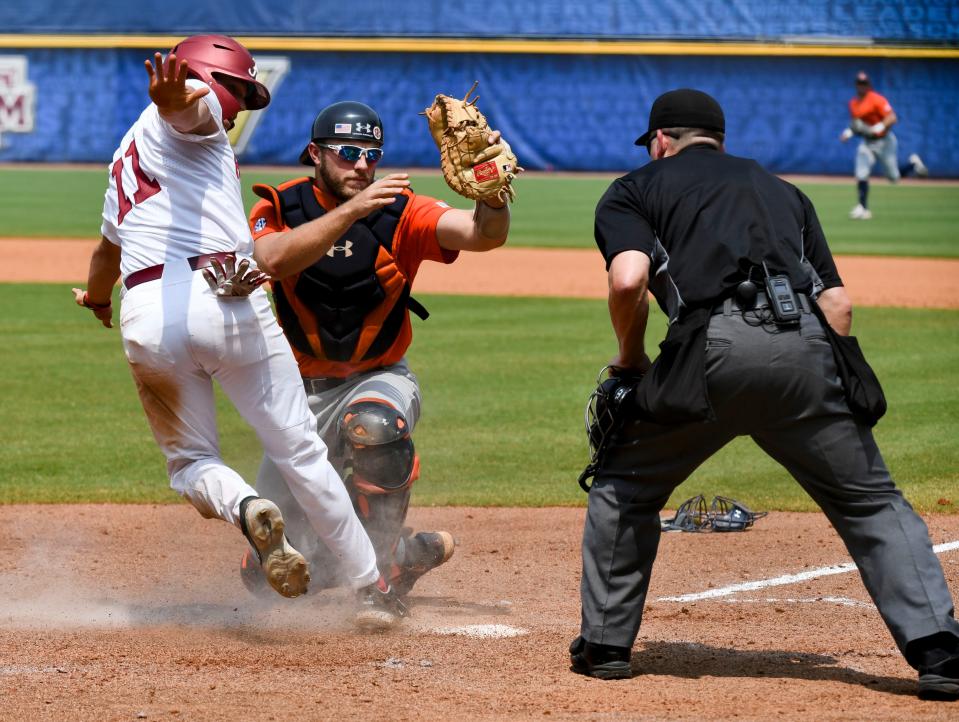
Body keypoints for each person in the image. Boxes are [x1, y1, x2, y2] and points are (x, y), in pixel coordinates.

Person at [570, 87, 959, 701]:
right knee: (870, 502)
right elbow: (838, 304)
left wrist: (631, 359)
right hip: (806, 350)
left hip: (709, 354)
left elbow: (629, 278)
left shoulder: (636, 187)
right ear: (720, 139)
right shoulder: (785, 192)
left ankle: (606, 647)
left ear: (661, 141)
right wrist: (839, 379)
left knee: (624, 486)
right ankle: (940, 651)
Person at [72, 35, 406, 631]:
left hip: (147, 312)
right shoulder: (186, 115)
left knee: (191, 463)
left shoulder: (125, 155)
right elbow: (191, 109)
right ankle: (372, 587)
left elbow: (105, 252)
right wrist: (177, 99)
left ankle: (249, 507)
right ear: (202, 77)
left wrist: (98, 298)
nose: (237, 108)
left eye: (247, 97)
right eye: (236, 90)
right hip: (228, 296)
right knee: (302, 452)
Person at [241, 101, 511, 598]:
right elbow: (270, 260)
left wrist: (492, 198)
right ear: (314, 153)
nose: (362, 164)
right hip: (299, 393)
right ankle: (409, 555)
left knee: (375, 425)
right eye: (347, 152)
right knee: (267, 578)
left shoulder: (402, 208)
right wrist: (354, 211)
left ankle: (382, 576)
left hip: (378, 375)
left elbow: (482, 236)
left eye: (371, 153)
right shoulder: (279, 206)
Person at [840, 70, 928, 220]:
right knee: (861, 172)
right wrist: (849, 132)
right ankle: (863, 208)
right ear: (856, 85)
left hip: (885, 141)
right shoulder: (853, 103)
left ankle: (913, 164)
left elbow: (892, 117)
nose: (862, 86)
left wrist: (880, 126)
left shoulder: (876, 99)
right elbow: (857, 124)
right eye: (859, 83)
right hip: (868, 142)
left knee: (894, 177)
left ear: (868, 85)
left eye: (864, 83)